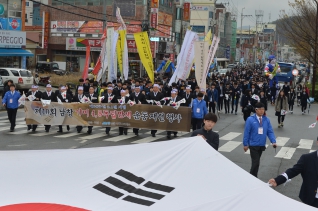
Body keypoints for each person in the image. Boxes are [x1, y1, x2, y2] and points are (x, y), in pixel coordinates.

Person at [243, 102, 277, 177]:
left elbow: (270, 131)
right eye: (260, 109)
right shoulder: (250, 119)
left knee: (256, 162)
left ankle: (253, 176)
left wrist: (273, 141)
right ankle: (252, 178)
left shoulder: (266, 120)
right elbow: (247, 132)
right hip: (253, 144)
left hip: (261, 144)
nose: (262, 111)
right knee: (256, 162)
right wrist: (245, 144)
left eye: (263, 109)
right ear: (256, 110)